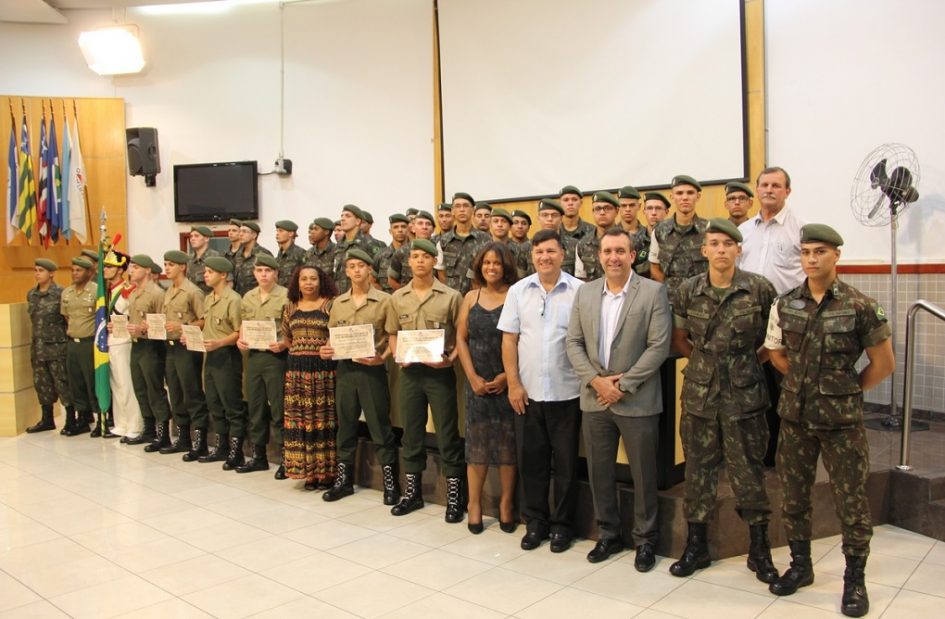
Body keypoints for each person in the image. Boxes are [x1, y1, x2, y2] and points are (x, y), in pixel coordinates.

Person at [764, 224, 893, 618]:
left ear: (836, 255)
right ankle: (801, 566)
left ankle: (855, 580)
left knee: (851, 502)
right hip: (796, 419)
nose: (811, 259)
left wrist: (846, 389)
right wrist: (804, 384)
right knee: (794, 498)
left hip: (842, 422)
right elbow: (777, 354)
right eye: (805, 252)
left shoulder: (860, 306)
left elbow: (883, 364)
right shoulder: (785, 303)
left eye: (820, 251)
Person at [667, 219, 779, 582]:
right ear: (704, 250)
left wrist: (746, 363)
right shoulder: (688, 290)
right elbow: (680, 337)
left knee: (749, 471)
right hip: (700, 395)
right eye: (713, 244)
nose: (720, 250)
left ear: (738, 249)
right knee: (697, 471)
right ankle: (696, 547)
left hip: (745, 397)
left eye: (727, 244)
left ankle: (759, 550)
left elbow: (772, 342)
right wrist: (705, 363)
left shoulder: (759, 289)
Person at [566, 229, 671, 568]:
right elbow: (573, 343)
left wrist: (622, 386)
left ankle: (645, 541)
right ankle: (609, 534)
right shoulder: (585, 293)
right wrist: (597, 382)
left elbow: (659, 347)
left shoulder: (653, 293)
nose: (613, 257)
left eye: (620, 251)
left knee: (643, 474)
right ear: (599, 255)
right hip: (595, 398)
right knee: (600, 472)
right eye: (608, 251)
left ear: (633, 255)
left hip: (636, 400)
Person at [499, 230, 583, 553]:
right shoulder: (519, 291)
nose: (544, 257)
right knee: (531, 463)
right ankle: (535, 523)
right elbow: (509, 340)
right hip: (528, 394)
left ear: (563, 254)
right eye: (539, 252)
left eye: (550, 251)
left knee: (565, 466)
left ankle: (563, 527)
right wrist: (514, 384)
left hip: (568, 393)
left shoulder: (579, 291)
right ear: (531, 256)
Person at [389, 239, 465, 521]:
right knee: (411, 433)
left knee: (447, 433)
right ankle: (413, 493)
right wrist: (398, 353)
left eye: (426, 256)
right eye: (415, 256)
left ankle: (454, 497)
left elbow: (461, 334)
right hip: (410, 374)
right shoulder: (398, 298)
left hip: (439, 373)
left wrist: (452, 357)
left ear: (435, 261)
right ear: (408, 262)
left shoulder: (451, 296)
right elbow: (393, 331)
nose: (419, 261)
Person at [319, 249, 401, 504]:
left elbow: (392, 336)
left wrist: (383, 357)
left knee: (379, 425)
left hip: (372, 371)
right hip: (345, 371)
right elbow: (331, 338)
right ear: (346, 271)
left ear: (370, 270)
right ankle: (344, 480)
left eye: (361, 266)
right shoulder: (338, 303)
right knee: (346, 425)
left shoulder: (385, 301)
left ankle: (390, 482)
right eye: (351, 266)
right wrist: (326, 349)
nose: (356, 270)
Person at [739, 166, 806, 466]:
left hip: (786, 321)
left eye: (776, 185)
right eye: (764, 184)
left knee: (784, 388)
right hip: (750, 320)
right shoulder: (743, 231)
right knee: (755, 386)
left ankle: (787, 454)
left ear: (787, 191)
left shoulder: (800, 230)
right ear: (757, 189)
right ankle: (759, 452)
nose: (769, 190)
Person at [456, 243, 519, 534]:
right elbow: (461, 339)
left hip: (509, 385)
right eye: (486, 263)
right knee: (477, 446)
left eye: (497, 263)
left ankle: (506, 504)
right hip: (477, 385)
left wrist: (508, 376)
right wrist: (472, 377)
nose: (491, 267)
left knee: (508, 447)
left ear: (506, 266)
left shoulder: (516, 296)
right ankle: (475, 505)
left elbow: (524, 340)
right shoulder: (471, 297)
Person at [282, 264, 338, 490]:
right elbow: (287, 337)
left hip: (322, 371)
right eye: (303, 279)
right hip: (296, 372)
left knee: (322, 420)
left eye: (313, 278)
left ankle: (326, 472)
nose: (308, 283)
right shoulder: (290, 307)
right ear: (297, 282)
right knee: (301, 421)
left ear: (321, 281)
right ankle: (308, 472)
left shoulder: (330, 305)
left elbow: (336, 334)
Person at [236, 254, 290, 476]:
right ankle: (259, 456)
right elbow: (243, 324)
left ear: (276, 273)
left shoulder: (286, 296)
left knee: (278, 409)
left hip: (276, 357)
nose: (263, 275)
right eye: (259, 271)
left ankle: (287, 458)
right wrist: (240, 339)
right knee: (255, 407)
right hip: (254, 357)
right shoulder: (248, 297)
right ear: (254, 273)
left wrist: (285, 343)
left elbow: (292, 328)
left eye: (268, 271)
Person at [191, 256, 246, 470]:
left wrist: (220, 342)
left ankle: (236, 451)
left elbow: (238, 331)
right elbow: (207, 326)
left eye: (210, 272)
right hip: (210, 356)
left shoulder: (233, 299)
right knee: (214, 403)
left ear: (223, 275)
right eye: (205, 271)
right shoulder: (209, 298)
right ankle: (221, 446)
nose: (205, 275)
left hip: (227, 356)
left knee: (231, 405)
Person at [160, 250, 209, 460]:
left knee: (192, 394)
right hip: (170, 347)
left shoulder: (193, 292)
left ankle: (200, 442)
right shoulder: (169, 290)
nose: (167, 268)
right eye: (165, 264)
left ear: (182, 267)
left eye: (171, 264)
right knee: (176, 393)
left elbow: (204, 320)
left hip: (187, 348)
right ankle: (182, 438)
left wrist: (184, 326)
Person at [124, 254, 173, 451]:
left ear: (147, 270)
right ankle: (149, 429)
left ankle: (163, 433)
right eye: (131, 267)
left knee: (154, 389)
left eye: (135, 267)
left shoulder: (157, 294)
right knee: (140, 388)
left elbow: (162, 324)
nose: (131, 271)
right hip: (136, 345)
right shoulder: (135, 293)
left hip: (152, 346)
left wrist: (144, 329)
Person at [26, 259, 72, 434]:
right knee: (42, 384)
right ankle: (47, 419)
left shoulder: (61, 293)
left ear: (51, 273)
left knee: (62, 384)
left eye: (41, 270)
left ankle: (70, 418)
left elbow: (67, 320)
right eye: (36, 270)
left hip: (57, 348)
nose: (37, 273)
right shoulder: (32, 294)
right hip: (38, 348)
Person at [649, 175, 709, 297]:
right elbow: (654, 267)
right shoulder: (660, 230)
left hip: (701, 300)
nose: (685, 198)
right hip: (669, 301)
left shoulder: (709, 229)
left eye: (690, 193)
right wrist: (669, 289)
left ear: (698, 197)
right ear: (672, 197)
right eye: (679, 193)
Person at [59, 256, 99, 436]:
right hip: (72, 343)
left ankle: (101, 418)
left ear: (89, 273)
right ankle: (82, 418)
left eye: (79, 270)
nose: (75, 273)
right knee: (76, 382)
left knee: (92, 381)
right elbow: (67, 317)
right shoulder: (67, 293)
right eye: (73, 270)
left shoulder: (96, 291)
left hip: (89, 343)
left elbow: (101, 319)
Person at [102, 250, 137, 441]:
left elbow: (134, 314)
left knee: (126, 384)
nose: (105, 270)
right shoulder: (108, 290)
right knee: (115, 385)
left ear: (120, 269)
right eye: (105, 266)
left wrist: (118, 325)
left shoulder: (127, 289)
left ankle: (134, 424)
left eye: (110, 267)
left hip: (123, 340)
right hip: (111, 340)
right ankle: (121, 422)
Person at [436, 192, 489, 295]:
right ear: (452, 211)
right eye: (457, 206)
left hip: (478, 298)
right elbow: (441, 274)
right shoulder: (444, 241)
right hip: (451, 299)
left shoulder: (485, 240)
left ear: (473, 210)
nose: (461, 209)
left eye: (465, 206)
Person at [334, 204, 381, 294]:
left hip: (363, 297)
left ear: (358, 221)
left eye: (348, 216)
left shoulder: (370, 244)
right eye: (342, 216)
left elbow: (376, 275)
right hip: (340, 298)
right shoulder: (338, 246)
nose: (343, 219)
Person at [575, 191, 620, 282]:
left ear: (617, 211)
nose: (602, 212)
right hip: (592, 295)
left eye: (607, 208)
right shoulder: (583, 244)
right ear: (593, 212)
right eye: (598, 209)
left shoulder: (628, 241)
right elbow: (580, 281)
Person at [389, 210, 435, 291]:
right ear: (413, 228)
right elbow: (391, 280)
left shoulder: (439, 250)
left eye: (428, 224)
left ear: (433, 229)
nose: (424, 227)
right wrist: (407, 294)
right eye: (420, 223)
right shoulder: (401, 252)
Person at [532, 198, 578, 276]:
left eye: (554, 215)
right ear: (538, 219)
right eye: (545, 215)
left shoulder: (574, 245)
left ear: (561, 219)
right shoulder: (527, 247)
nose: (550, 219)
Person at [617, 185, 652, 277]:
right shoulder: (610, 236)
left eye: (632, 205)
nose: (628, 209)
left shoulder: (649, 236)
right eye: (624, 206)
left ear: (639, 206)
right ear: (618, 207)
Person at [232, 221, 273, 295]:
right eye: (240, 231)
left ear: (254, 235)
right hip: (239, 299)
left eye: (244, 232)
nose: (240, 234)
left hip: (257, 298)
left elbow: (271, 279)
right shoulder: (238, 254)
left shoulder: (263, 254)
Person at [373, 214, 409, 293]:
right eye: (396, 227)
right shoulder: (381, 255)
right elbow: (372, 280)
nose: (400, 230)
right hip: (386, 302)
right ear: (390, 231)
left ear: (408, 230)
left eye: (403, 227)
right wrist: (382, 295)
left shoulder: (414, 254)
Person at [187, 225, 220, 294]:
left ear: (206, 238)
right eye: (191, 236)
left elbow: (227, 283)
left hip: (209, 301)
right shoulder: (189, 259)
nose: (192, 239)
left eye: (196, 236)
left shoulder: (216, 257)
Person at [274, 220, 307, 288]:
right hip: (280, 294)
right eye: (277, 231)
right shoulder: (279, 255)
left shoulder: (300, 253)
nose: (277, 233)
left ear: (291, 233)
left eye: (280, 231)